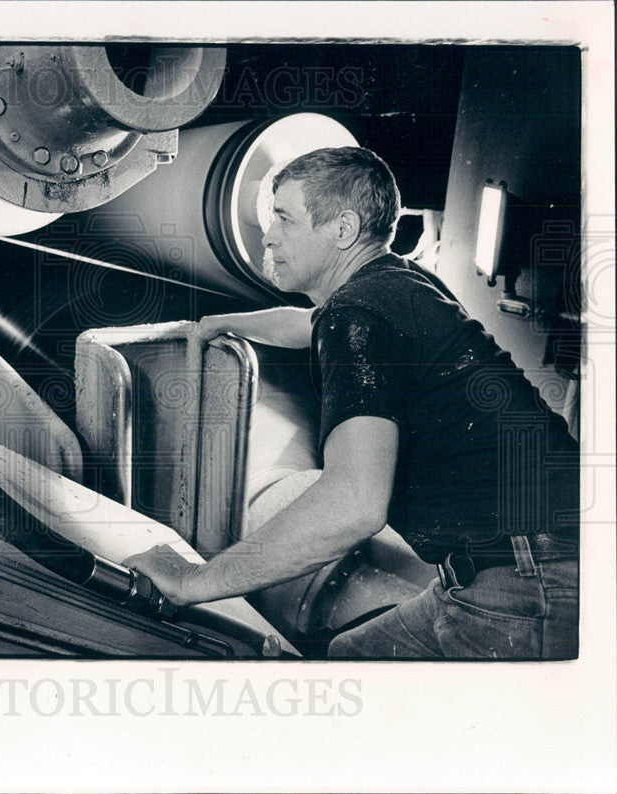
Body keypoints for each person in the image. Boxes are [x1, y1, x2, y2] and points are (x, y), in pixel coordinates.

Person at [124, 147, 579, 659]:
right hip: (537, 558)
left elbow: (353, 505)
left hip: (527, 584)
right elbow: (308, 326)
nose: (268, 234)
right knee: (350, 656)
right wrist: (222, 323)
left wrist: (191, 581)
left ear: (342, 229)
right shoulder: (397, 283)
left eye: (283, 218)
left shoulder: (358, 314)